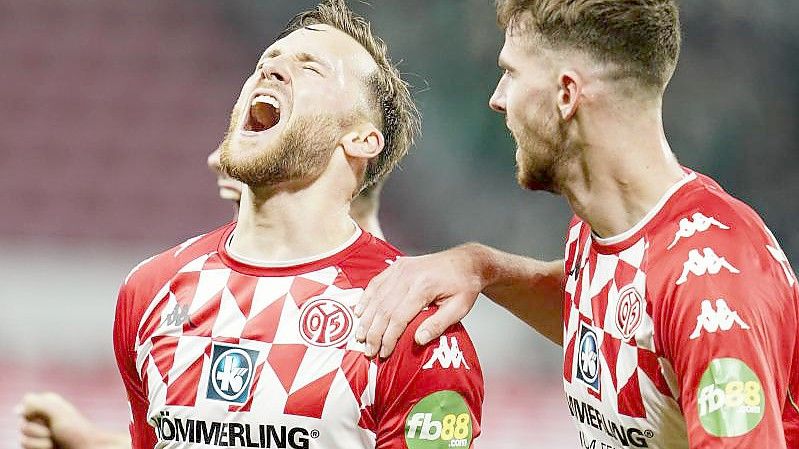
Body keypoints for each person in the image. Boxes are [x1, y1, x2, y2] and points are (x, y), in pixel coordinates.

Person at [354, 1, 799, 448]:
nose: (497, 97)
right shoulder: (610, 229)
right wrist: (481, 268)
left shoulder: (711, 281)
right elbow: (623, 327)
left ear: (566, 94)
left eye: (511, 72)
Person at [97, 2, 482, 449]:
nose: (271, 70)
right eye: (265, 62)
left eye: (311, 68)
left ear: (361, 139)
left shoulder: (409, 320)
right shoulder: (151, 291)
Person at [16, 142, 389, 449]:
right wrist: (89, 441)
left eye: (250, 138)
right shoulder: (168, 287)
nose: (215, 160)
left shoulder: (401, 323)